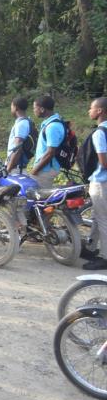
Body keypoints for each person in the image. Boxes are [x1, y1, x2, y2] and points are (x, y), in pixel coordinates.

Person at [83, 97, 107, 270]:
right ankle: (91, 247)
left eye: (92, 108)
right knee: (96, 217)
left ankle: (104, 257)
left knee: (102, 219)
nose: (89, 111)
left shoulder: (100, 133)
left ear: (100, 111)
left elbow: (103, 162)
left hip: (101, 182)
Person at [29, 95, 65, 189]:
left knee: (39, 199)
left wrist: (35, 170)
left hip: (46, 169)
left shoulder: (52, 127)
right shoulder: (50, 123)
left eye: (34, 108)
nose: (34, 110)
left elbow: (50, 153)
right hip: (45, 167)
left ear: (41, 109)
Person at [5, 97, 33, 174]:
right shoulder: (26, 121)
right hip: (17, 166)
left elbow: (17, 149)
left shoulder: (21, 124)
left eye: (11, 106)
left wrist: (8, 169)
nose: (11, 109)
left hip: (16, 168)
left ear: (15, 108)